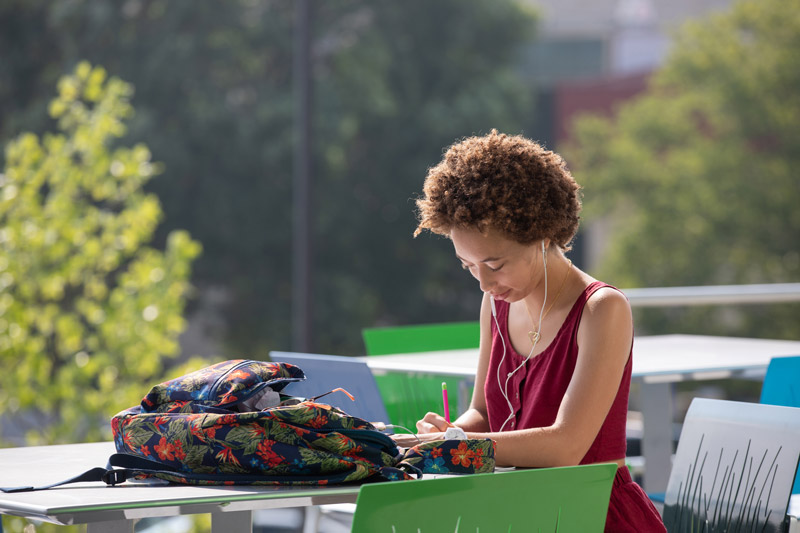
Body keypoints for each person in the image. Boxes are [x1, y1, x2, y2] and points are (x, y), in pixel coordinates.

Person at [399, 130, 666, 532]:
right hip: (518, 511)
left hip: (591, 515)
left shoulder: (601, 309)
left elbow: (566, 446)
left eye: (495, 264)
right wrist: (448, 434)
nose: (485, 284)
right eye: (468, 267)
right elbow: (484, 413)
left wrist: (461, 448)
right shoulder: (497, 303)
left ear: (542, 236)